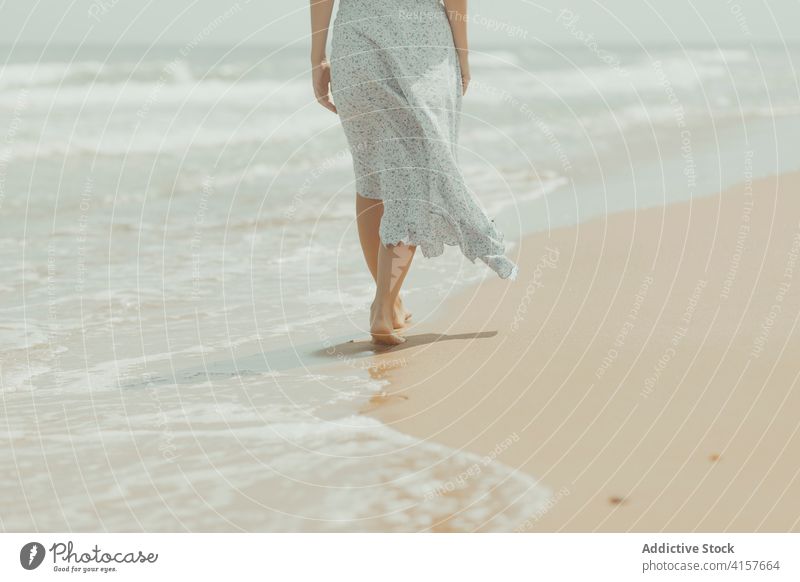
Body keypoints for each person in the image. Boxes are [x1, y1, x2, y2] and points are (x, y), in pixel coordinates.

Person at [310, 0, 517, 345]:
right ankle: (383, 305)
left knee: (371, 175)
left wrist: (317, 56)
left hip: (354, 46)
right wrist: (462, 57)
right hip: (420, 49)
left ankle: (389, 300)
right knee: (418, 177)